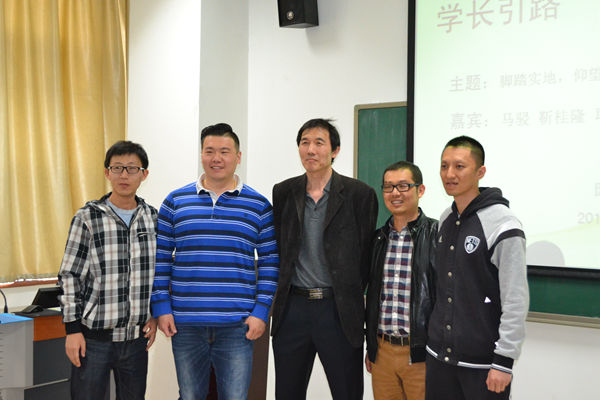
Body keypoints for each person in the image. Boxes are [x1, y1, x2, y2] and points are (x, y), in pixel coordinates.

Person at [150, 123, 279, 400]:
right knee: (190, 396)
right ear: (201, 155)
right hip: (186, 323)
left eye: (224, 151)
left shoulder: (258, 205)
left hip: (237, 325)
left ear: (238, 157)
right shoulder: (175, 201)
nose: (216, 158)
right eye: (209, 151)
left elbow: (270, 262)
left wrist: (261, 311)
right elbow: (161, 260)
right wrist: (162, 307)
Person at [271, 118, 378, 400]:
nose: (311, 149)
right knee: (287, 393)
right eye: (304, 142)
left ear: (335, 150)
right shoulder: (283, 192)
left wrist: (347, 292)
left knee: (346, 392)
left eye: (319, 142)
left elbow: (365, 256)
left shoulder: (359, 194)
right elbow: (281, 248)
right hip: (293, 309)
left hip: (338, 310)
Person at [425, 136, 529, 400]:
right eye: (444, 166)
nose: (449, 174)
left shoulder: (503, 224)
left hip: (483, 365)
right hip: (439, 358)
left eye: (459, 166)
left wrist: (504, 361)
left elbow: (515, 299)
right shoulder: (446, 218)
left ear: (480, 172)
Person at [58, 140, 158, 400]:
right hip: (93, 340)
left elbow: (158, 273)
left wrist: (155, 314)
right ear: (107, 173)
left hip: (136, 339)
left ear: (144, 174)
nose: (124, 175)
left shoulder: (153, 218)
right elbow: (70, 276)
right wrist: (72, 330)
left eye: (132, 168)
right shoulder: (87, 217)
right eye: (117, 168)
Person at [365, 161, 437, 400]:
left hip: (421, 354)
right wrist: (371, 347)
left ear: (420, 190)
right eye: (388, 187)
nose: (395, 193)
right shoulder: (377, 239)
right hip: (382, 352)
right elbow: (372, 296)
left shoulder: (437, 234)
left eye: (403, 186)